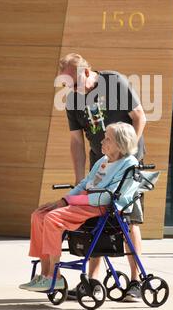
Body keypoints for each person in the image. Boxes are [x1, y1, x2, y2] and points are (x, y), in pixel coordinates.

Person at [59, 53, 147, 301]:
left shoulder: (114, 82)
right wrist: (80, 180)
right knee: (95, 220)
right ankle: (93, 282)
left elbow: (139, 116)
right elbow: (77, 142)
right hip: (101, 165)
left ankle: (136, 281)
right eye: (67, 85)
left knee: (129, 221)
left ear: (87, 72)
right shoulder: (72, 101)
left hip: (127, 164)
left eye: (74, 83)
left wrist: (128, 154)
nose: (72, 89)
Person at [19, 123, 139, 292]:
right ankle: (45, 273)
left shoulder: (129, 164)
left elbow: (107, 196)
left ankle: (55, 276)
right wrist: (63, 200)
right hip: (86, 202)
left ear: (120, 143)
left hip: (102, 207)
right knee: (39, 215)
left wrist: (72, 201)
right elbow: (85, 183)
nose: (102, 142)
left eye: (107, 139)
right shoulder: (103, 161)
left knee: (52, 218)